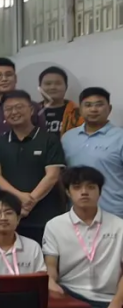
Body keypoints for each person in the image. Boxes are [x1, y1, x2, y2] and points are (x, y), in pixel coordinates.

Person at [43, 167, 123, 308]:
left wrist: (116, 303)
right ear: (68, 192)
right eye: (77, 187)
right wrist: (51, 283)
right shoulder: (54, 225)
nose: (84, 192)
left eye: (91, 187)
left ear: (100, 191)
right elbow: (51, 266)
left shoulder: (119, 226)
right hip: (69, 293)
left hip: (107, 297)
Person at [0, 90, 65, 244]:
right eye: (8, 109)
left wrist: (30, 201)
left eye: (19, 107)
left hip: (45, 214)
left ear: (31, 110)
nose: (14, 112)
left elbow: (52, 175)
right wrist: (20, 198)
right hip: (11, 215)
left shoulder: (49, 139)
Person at [63, 87, 123, 219]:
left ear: (109, 108)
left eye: (99, 105)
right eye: (88, 105)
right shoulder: (68, 138)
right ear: (80, 110)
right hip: (77, 215)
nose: (93, 109)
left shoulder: (120, 137)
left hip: (115, 213)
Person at [0, 57, 44, 152]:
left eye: (8, 75)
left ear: (15, 78)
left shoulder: (33, 107)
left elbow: (43, 138)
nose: (4, 79)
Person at [0, 191, 46, 275]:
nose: (3, 218)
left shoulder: (32, 247)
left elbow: (41, 278)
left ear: (18, 219)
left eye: (8, 213)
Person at [39, 66, 83, 137]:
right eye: (48, 84)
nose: (53, 87)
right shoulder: (30, 113)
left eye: (58, 83)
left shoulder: (79, 113)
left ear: (66, 87)